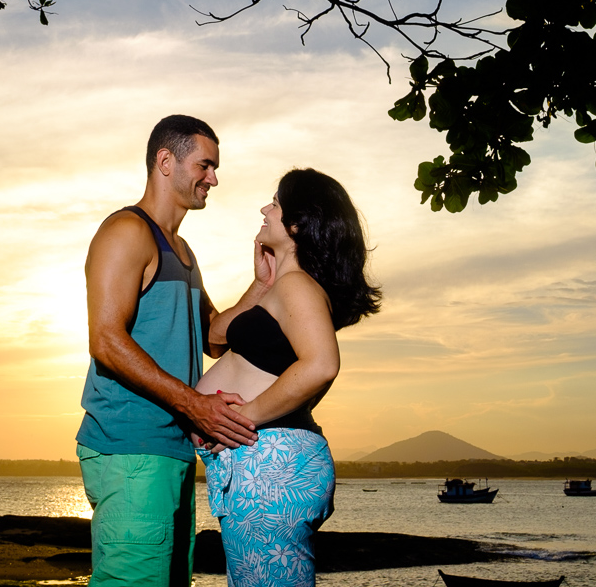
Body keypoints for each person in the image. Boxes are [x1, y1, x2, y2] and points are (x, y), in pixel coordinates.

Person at [76, 114, 267, 587]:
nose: (214, 178)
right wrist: (193, 404)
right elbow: (105, 340)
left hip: (172, 449)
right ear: (166, 161)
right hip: (130, 447)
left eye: (215, 168)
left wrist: (261, 286)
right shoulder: (126, 231)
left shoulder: (182, 250)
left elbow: (213, 336)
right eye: (205, 165)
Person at [196, 168, 381, 587]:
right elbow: (215, 337)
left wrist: (240, 417)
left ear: (297, 223)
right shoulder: (286, 287)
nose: (265, 208)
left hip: (269, 465)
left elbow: (320, 365)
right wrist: (262, 283)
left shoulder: (298, 286)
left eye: (276, 203)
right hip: (262, 463)